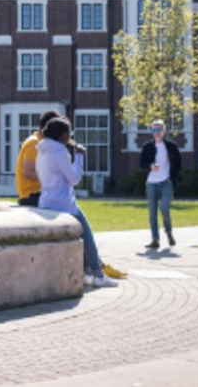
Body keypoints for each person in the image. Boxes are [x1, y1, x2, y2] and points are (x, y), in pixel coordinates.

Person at [36, 117, 119, 288]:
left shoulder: (41, 151)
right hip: (64, 204)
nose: (70, 137)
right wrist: (80, 157)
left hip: (45, 202)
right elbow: (74, 179)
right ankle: (97, 273)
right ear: (63, 135)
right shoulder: (59, 151)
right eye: (69, 134)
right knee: (87, 236)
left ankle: (87, 273)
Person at [140, 119, 181, 249]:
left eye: (158, 130)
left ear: (163, 131)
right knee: (152, 213)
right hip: (152, 182)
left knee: (164, 208)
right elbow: (141, 163)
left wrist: (172, 178)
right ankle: (155, 240)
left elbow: (178, 164)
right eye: (154, 130)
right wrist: (150, 166)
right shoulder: (147, 146)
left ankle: (168, 233)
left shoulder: (171, 146)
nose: (156, 133)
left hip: (165, 182)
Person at [16, 109, 63, 206]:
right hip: (31, 196)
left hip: (38, 194)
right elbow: (28, 173)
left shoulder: (43, 143)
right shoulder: (35, 143)